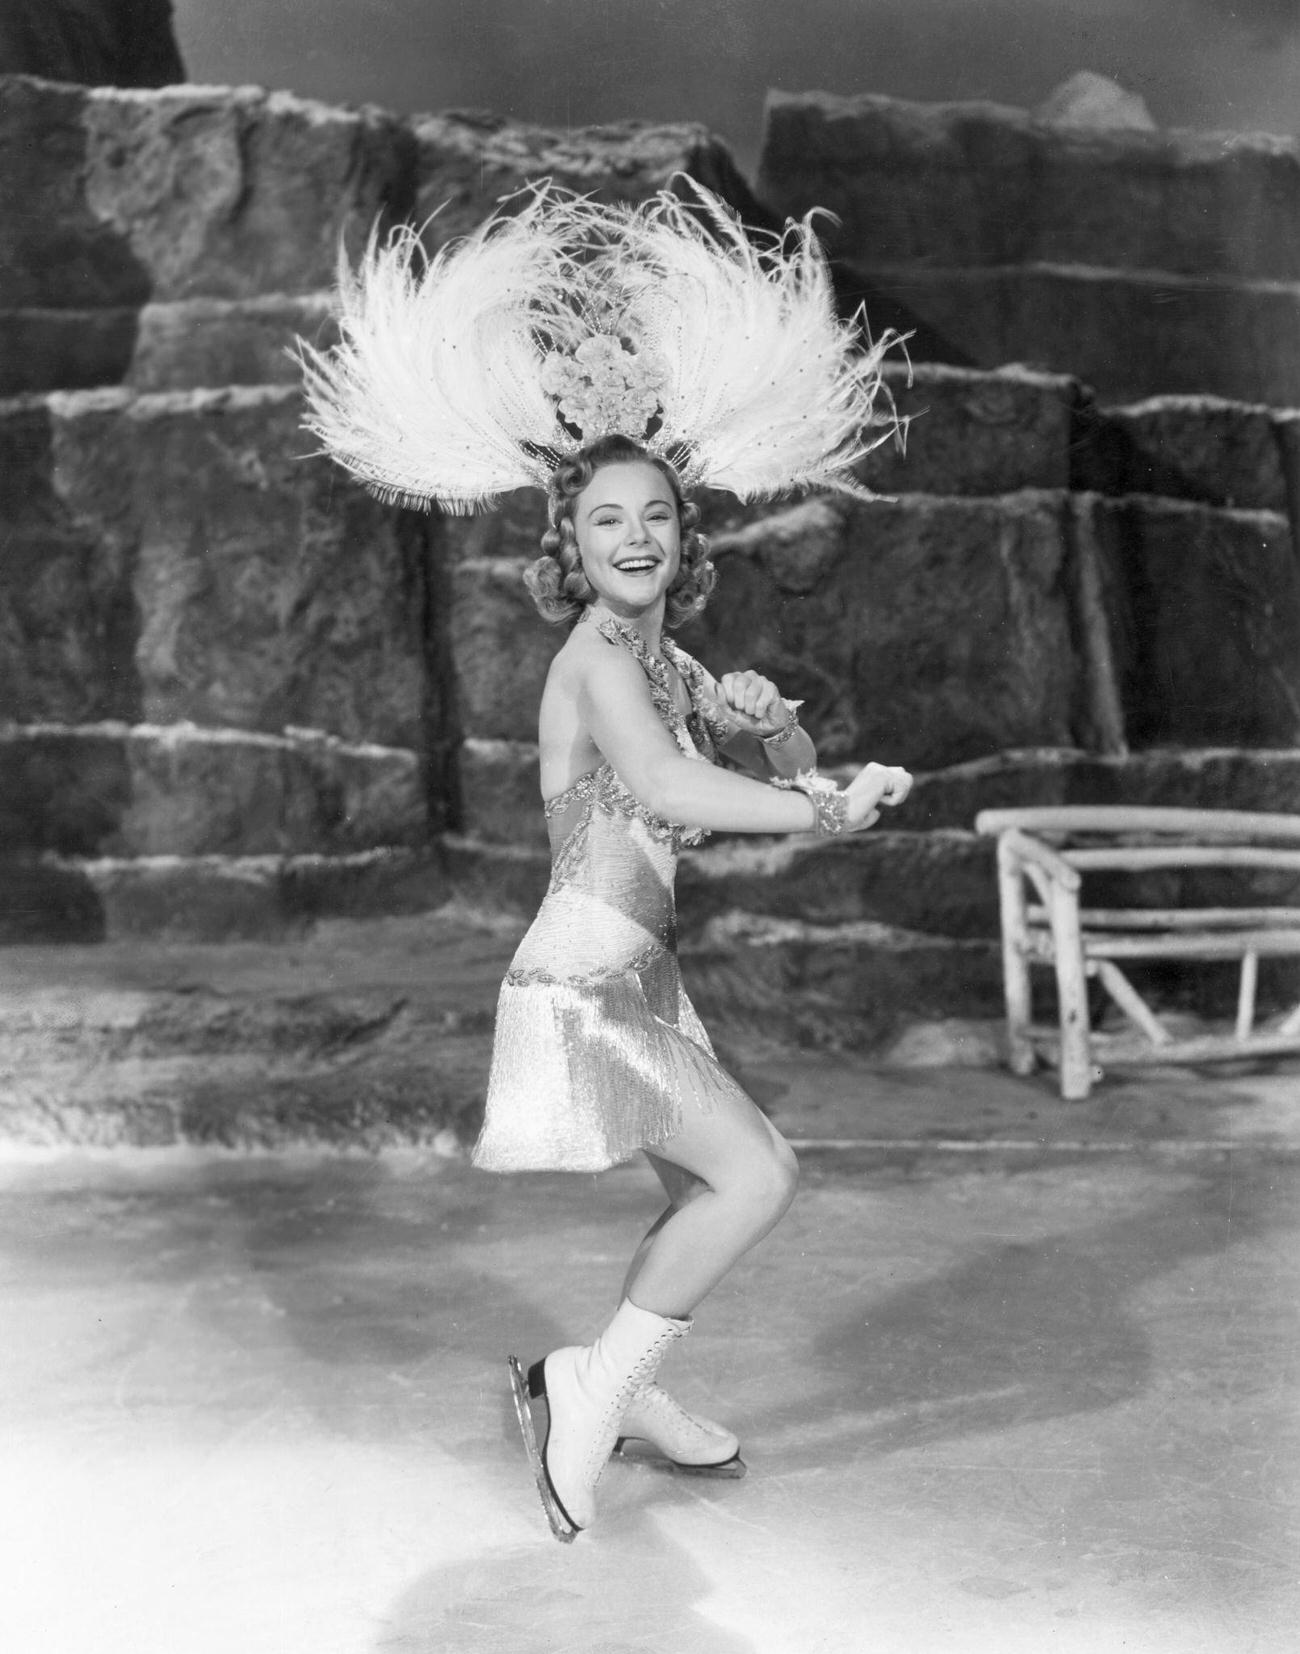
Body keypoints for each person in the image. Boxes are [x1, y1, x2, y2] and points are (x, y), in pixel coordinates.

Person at [297, 180, 913, 1543]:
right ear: (569, 550)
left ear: (687, 537)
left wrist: (788, 733)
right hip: (581, 988)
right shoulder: (595, 659)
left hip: (641, 979)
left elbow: (739, 769)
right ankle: (589, 1382)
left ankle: (616, 1388)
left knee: (707, 1189)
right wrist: (820, 812)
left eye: (656, 519)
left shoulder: (663, 655)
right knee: (757, 1179)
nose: (636, 539)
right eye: (608, 524)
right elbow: (668, 786)